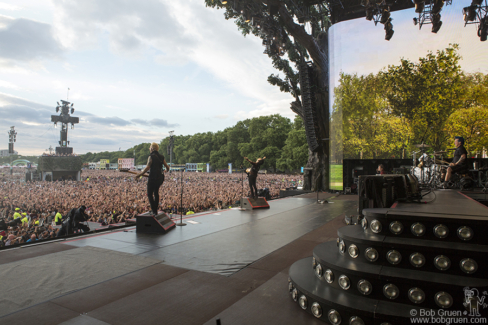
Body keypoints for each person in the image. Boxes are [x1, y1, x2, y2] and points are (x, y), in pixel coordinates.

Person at [135, 143, 170, 215]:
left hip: (153, 177)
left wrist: (140, 174)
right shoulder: (161, 157)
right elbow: (167, 167)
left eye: (150, 147)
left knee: (149, 193)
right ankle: (155, 210)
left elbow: (147, 167)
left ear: (152, 148)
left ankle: (154, 210)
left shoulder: (151, 157)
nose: (149, 149)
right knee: (156, 192)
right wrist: (166, 171)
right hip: (160, 177)